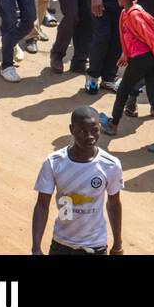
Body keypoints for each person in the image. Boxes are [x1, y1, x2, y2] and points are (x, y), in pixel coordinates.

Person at [31, 107, 123, 255]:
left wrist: (117, 244)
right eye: (82, 131)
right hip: (61, 244)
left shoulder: (110, 165)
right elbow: (42, 205)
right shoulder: (54, 162)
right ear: (71, 130)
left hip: (95, 246)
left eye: (94, 130)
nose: (90, 136)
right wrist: (36, 248)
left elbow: (114, 204)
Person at [99, 0, 154, 154]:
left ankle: (113, 124)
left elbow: (151, 39)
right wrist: (125, 54)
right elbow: (130, 37)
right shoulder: (130, 11)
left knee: (123, 89)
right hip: (148, 59)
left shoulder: (133, 15)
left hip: (144, 59)